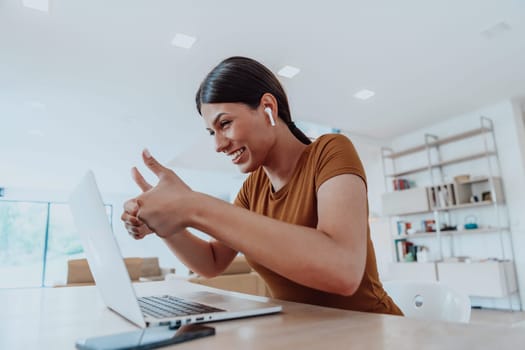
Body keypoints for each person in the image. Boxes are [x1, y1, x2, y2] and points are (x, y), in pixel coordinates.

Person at [121, 56, 402, 315]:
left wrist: (193, 205)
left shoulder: (330, 151)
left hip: (374, 330)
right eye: (212, 132)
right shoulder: (252, 189)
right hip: (306, 335)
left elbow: (343, 270)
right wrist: (163, 223)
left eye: (226, 124)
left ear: (268, 108)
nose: (218, 145)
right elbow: (212, 261)